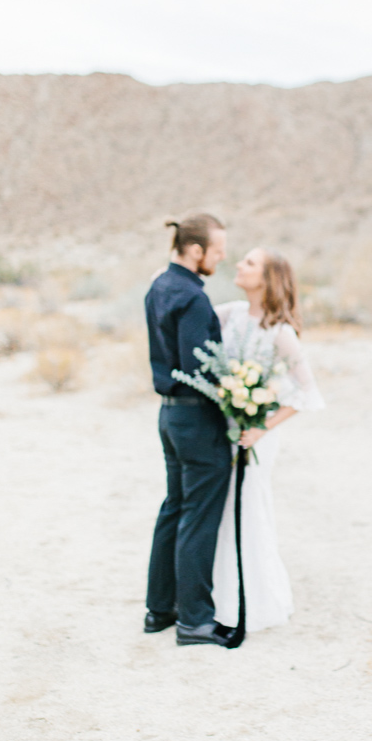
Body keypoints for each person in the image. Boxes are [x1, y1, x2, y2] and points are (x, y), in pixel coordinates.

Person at [210, 248, 324, 633]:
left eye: (249, 263)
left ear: (269, 277)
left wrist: (261, 427)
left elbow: (307, 394)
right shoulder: (232, 313)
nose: (239, 266)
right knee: (222, 510)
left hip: (255, 435)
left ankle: (252, 606)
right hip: (224, 429)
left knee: (247, 507)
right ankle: (219, 599)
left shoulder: (281, 332)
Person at [143, 212, 241, 649]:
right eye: (217, 252)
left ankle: (159, 609)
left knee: (175, 508)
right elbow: (199, 368)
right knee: (199, 516)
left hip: (168, 416)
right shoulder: (193, 299)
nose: (220, 260)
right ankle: (195, 620)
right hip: (197, 420)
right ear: (197, 250)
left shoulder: (158, 287)